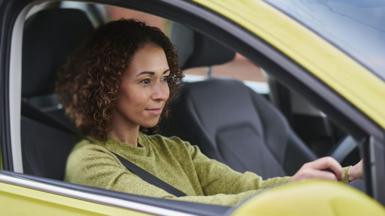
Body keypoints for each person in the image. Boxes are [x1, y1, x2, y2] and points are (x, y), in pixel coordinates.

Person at [56, 19, 363, 207]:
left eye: (165, 78)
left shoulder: (172, 149)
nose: (162, 93)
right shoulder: (91, 162)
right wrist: (288, 196)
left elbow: (246, 187)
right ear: (106, 85)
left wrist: (342, 175)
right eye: (145, 81)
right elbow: (168, 209)